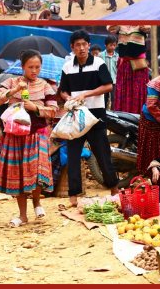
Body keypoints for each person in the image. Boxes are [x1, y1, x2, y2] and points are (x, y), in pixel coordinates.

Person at [0, 50, 59, 227]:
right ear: (22, 67)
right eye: (30, 67)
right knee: (19, 173)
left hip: (37, 135)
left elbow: (53, 110)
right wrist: (14, 91)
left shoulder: (45, 85)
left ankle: (37, 202)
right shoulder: (11, 82)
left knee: (35, 173)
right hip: (15, 136)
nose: (34, 70)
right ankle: (23, 215)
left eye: (37, 67)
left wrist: (35, 108)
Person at [59, 30, 119, 207]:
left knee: (103, 154)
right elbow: (63, 90)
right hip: (76, 117)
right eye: (77, 45)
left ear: (88, 45)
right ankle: (73, 197)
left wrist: (87, 94)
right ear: (72, 47)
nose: (82, 48)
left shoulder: (98, 63)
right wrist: (67, 98)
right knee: (73, 155)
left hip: (96, 115)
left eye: (84, 44)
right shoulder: (68, 66)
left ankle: (114, 188)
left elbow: (108, 86)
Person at [109, 26, 151, 117]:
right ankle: (123, 118)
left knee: (138, 91)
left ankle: (139, 119)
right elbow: (110, 28)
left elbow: (148, 28)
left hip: (138, 66)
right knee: (123, 92)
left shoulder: (143, 20)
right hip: (124, 66)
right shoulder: (120, 23)